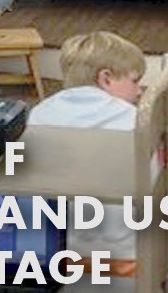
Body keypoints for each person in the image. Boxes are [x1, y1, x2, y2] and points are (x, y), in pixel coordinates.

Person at [27, 31, 148, 262]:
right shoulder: (136, 121)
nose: (139, 90)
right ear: (106, 78)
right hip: (122, 253)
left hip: (50, 250)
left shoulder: (40, 113)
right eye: (135, 81)